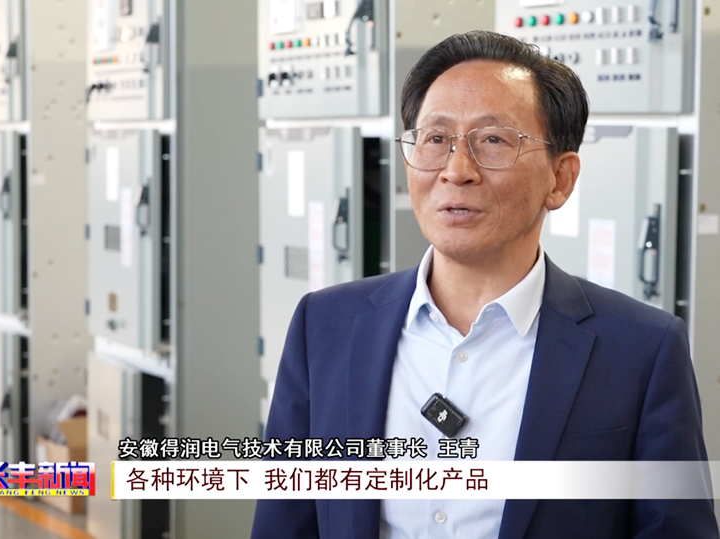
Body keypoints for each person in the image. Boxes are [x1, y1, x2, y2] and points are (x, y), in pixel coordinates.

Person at [250, 31, 718, 539]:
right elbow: (284, 523)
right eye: (435, 139)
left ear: (560, 179)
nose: (457, 171)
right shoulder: (325, 327)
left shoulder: (640, 350)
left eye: (493, 140)